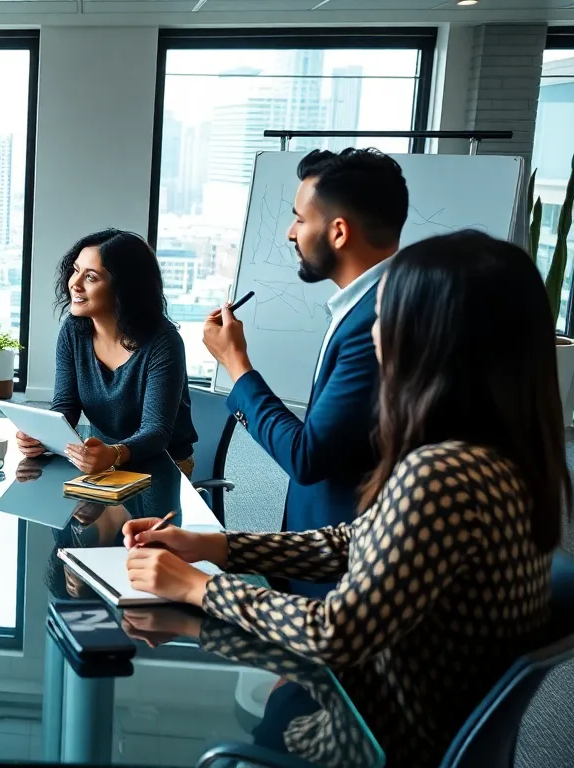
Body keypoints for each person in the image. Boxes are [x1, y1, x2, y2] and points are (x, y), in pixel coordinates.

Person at [123, 231, 568, 768]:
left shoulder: (441, 475)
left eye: (387, 314)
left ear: (434, 337)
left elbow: (334, 633)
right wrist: (212, 547)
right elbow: (354, 542)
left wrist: (194, 586)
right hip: (412, 713)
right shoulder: (498, 455)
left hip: (374, 737)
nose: (375, 330)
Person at [203, 148, 405, 596]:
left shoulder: (376, 321)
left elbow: (307, 458)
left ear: (338, 232)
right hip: (317, 553)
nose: (290, 232)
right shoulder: (368, 304)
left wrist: (236, 364)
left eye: (299, 219)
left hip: (343, 577)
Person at [17, 229, 197, 476]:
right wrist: (41, 436)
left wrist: (114, 453)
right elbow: (66, 405)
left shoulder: (164, 343)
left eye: (91, 277)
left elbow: (156, 432)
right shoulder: (73, 330)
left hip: (162, 466)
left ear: (124, 288)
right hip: (102, 462)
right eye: (76, 270)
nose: (75, 284)